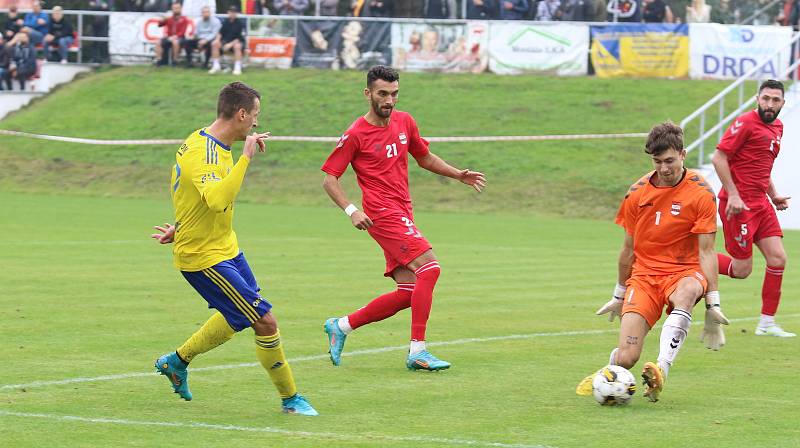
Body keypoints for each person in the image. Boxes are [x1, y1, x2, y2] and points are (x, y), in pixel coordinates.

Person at [150, 82, 318, 416]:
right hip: (203, 257)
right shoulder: (207, 151)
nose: (256, 123)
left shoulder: (205, 140)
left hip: (225, 247)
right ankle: (291, 400)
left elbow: (190, 194)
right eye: (255, 115)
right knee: (264, 320)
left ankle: (176, 362)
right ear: (241, 113)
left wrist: (179, 225)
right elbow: (215, 200)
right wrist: (246, 159)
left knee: (238, 316)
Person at [321, 66, 486, 371]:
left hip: (402, 210)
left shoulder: (404, 121)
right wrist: (351, 210)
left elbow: (424, 157)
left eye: (394, 93)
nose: (390, 100)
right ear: (368, 93)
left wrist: (457, 174)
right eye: (383, 94)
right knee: (431, 267)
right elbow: (330, 178)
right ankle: (418, 351)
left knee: (408, 293)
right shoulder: (356, 133)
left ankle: (341, 326)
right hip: (380, 213)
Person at [576, 121, 730, 403]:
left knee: (685, 293)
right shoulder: (637, 193)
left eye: (670, 160)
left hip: (684, 272)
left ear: (683, 155)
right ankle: (609, 373)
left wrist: (713, 303)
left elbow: (707, 252)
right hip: (644, 277)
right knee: (627, 357)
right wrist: (618, 295)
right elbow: (627, 250)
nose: (664, 168)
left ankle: (661, 368)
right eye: (657, 161)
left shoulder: (701, 193)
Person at [711, 80, 795, 338]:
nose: (770, 104)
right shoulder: (746, 122)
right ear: (757, 99)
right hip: (739, 206)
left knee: (778, 258)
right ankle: (694, 257)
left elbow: (761, 167)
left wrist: (775, 195)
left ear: (782, 103)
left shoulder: (778, 127)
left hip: (761, 204)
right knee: (741, 270)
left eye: (775, 100)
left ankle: (767, 323)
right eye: (766, 98)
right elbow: (719, 157)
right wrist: (734, 196)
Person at [209, 6, 245, 75]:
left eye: (234, 12)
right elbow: (220, 33)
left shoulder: (240, 23)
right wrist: (217, 40)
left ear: (236, 13)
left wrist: (230, 44)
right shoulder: (225, 22)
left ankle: (237, 68)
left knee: (237, 46)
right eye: (231, 12)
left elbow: (240, 38)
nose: (232, 14)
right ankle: (216, 66)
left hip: (236, 42)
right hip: (225, 42)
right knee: (214, 43)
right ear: (228, 13)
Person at [155, 2, 192, 67]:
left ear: (180, 9)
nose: (176, 9)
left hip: (180, 38)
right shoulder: (169, 18)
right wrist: (162, 20)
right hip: (169, 37)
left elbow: (182, 32)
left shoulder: (184, 19)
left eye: (177, 8)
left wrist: (175, 37)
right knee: (158, 42)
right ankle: (159, 61)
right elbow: (159, 25)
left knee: (175, 42)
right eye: (174, 8)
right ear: (172, 9)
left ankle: (175, 61)